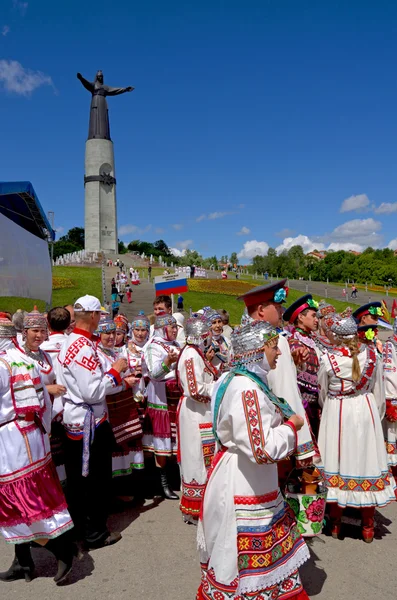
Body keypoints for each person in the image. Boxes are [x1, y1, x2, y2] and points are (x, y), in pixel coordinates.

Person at [197, 320, 310, 600]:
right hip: (246, 480)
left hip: (238, 471)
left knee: (234, 545)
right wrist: (291, 426)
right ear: (258, 351)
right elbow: (263, 450)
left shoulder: (231, 378)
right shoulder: (247, 389)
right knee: (241, 548)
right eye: (273, 347)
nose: (278, 353)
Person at [0, 317, 75, 585]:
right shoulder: (18, 359)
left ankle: (61, 549)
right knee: (28, 494)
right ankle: (23, 561)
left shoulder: (3, 363)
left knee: (19, 499)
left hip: (13, 438)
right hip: (26, 433)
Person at [57, 295, 130, 549]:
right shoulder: (84, 347)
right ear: (92, 316)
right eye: (99, 314)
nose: (101, 318)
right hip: (90, 422)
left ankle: (81, 528)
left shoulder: (70, 342)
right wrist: (116, 371)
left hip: (78, 418)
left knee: (80, 478)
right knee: (95, 479)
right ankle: (94, 533)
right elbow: (92, 391)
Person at [317, 315, 395, 542]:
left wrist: (330, 406)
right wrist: (375, 415)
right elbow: (378, 391)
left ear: (336, 336)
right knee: (366, 461)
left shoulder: (327, 358)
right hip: (365, 408)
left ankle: (335, 523)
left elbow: (322, 392)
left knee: (337, 461)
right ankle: (368, 526)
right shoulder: (372, 356)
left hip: (338, 411)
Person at [237, 280, 317, 465]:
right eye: (278, 306)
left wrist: (294, 363)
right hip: (275, 425)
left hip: (283, 422)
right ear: (261, 310)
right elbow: (268, 384)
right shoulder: (257, 340)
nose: (282, 311)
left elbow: (280, 376)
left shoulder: (274, 336)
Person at [176, 317, 217, 523]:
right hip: (195, 412)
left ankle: (202, 504)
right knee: (197, 456)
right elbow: (195, 390)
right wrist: (217, 388)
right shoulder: (191, 355)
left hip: (200, 412)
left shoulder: (196, 353)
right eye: (206, 333)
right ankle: (195, 507)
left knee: (203, 455)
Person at [95, 318, 144, 489]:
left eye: (113, 333)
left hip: (123, 405)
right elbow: (102, 386)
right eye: (106, 333)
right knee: (114, 449)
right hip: (110, 407)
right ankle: (115, 491)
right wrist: (124, 383)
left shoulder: (115, 353)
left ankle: (125, 487)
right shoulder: (97, 355)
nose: (111, 337)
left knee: (125, 447)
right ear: (98, 335)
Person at [144, 313, 181, 499]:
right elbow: (154, 374)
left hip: (175, 398)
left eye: (176, 327)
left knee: (175, 441)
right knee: (162, 443)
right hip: (160, 400)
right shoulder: (153, 346)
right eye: (171, 327)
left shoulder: (176, 345)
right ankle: (162, 483)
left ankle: (173, 479)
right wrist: (167, 362)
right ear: (161, 328)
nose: (174, 330)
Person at [283, 295, 322, 437]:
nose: (317, 320)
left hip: (317, 403)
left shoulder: (314, 340)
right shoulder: (292, 343)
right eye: (313, 316)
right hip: (304, 406)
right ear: (300, 317)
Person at [383, 317, 397, 481]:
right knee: (392, 438)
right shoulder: (390, 345)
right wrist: (390, 399)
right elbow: (389, 373)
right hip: (394, 396)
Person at [203, 308, 231, 376]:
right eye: (214, 323)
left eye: (219, 321)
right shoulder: (205, 343)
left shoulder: (226, 340)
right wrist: (207, 359)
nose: (218, 325)